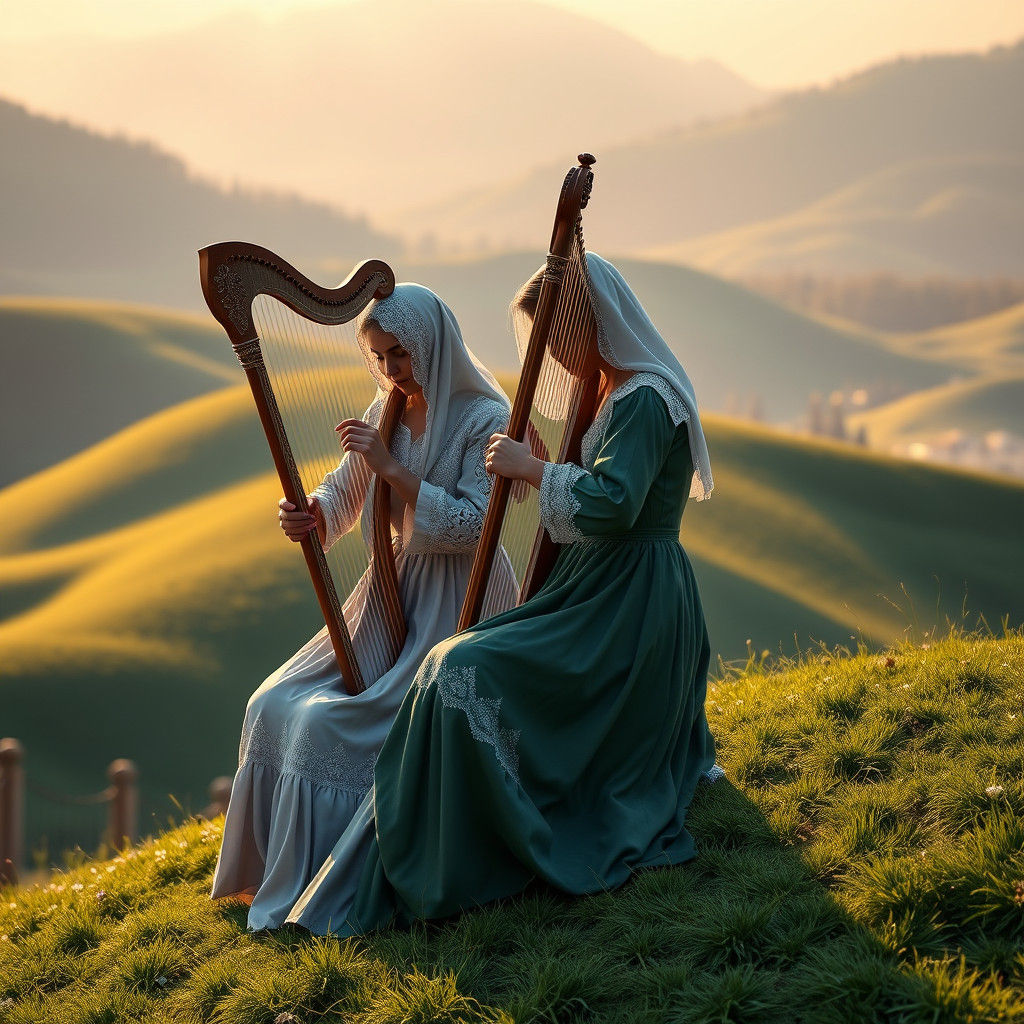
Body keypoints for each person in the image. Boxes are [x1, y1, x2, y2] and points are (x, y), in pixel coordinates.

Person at [283, 252, 724, 937]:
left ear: (594, 322)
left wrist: (534, 469)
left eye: (560, 337)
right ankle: (430, 832)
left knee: (456, 665)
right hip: (593, 585)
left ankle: (461, 837)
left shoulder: (643, 397)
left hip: (630, 600)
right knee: (443, 666)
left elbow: (614, 507)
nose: (556, 356)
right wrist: (317, 509)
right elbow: (347, 489)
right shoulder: (613, 392)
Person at [211, 283, 514, 930]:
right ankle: (268, 873)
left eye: (399, 353)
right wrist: (314, 513)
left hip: (459, 598)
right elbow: (347, 489)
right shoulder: (386, 407)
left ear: (431, 343)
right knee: (270, 702)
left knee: (329, 725)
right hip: (389, 589)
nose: (390, 369)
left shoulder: (485, 417)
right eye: (378, 356)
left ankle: (332, 878)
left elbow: (473, 526)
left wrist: (392, 468)